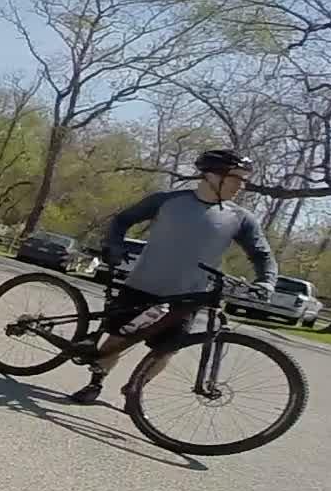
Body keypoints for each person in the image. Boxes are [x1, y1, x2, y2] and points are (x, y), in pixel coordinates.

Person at [67, 148, 277, 404]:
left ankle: (135, 390)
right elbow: (123, 219)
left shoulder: (241, 218)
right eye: (237, 178)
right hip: (143, 285)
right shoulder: (167, 201)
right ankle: (95, 383)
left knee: (166, 350)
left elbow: (262, 255)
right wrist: (115, 245)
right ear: (212, 176)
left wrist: (266, 280)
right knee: (118, 337)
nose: (242, 185)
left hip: (187, 295)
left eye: (244, 180)